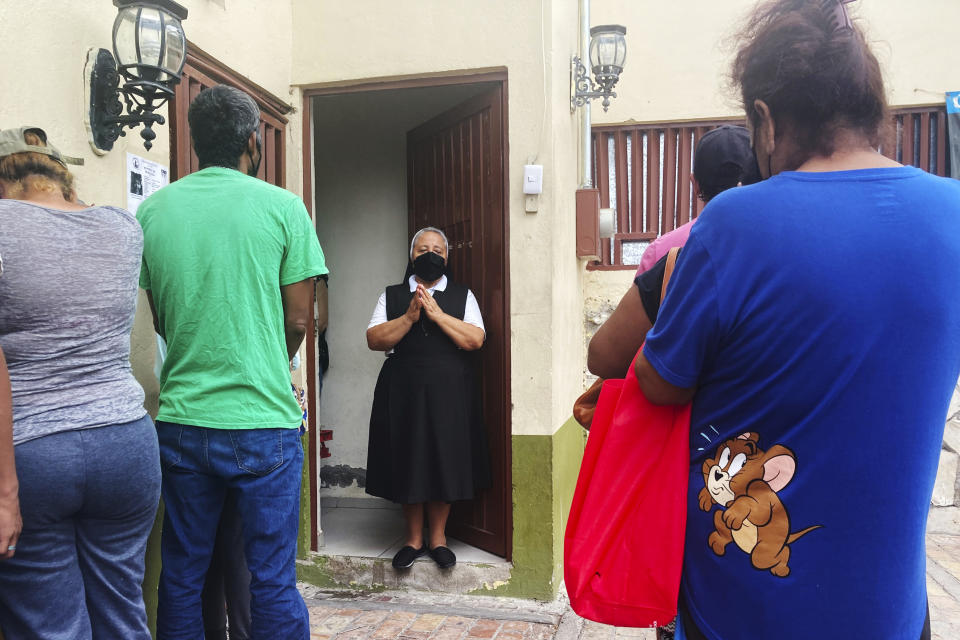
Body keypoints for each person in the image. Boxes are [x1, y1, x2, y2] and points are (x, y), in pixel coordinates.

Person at [634, 1, 958, 638]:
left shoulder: (733, 224)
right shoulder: (954, 218)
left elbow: (658, 381)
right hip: (887, 613)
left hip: (738, 610)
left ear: (764, 120)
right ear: (872, 110)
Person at [138, 85, 328, 638]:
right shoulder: (283, 208)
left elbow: (161, 318)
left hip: (180, 420)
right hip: (261, 423)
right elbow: (299, 320)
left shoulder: (153, 210)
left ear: (195, 142)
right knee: (269, 577)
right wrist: (274, 360)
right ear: (253, 140)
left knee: (183, 573)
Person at [0, 127, 160, 639]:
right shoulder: (121, 226)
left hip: (33, 453)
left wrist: (5, 494)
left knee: (51, 626)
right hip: (127, 445)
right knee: (122, 613)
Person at [587, 125, 755, 380]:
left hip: (677, 409)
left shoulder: (665, 251)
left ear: (694, 182)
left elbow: (612, 355)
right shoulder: (786, 247)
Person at [365, 227, 490, 570]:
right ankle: (412, 540)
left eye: (437, 249)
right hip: (403, 391)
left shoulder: (462, 295)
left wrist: (437, 315)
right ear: (412, 256)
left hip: (450, 392)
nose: (430, 254)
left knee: (443, 459)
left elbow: (475, 339)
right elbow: (375, 339)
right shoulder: (391, 295)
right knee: (409, 459)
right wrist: (408, 317)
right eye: (423, 249)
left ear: (447, 257)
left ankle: (438, 539)